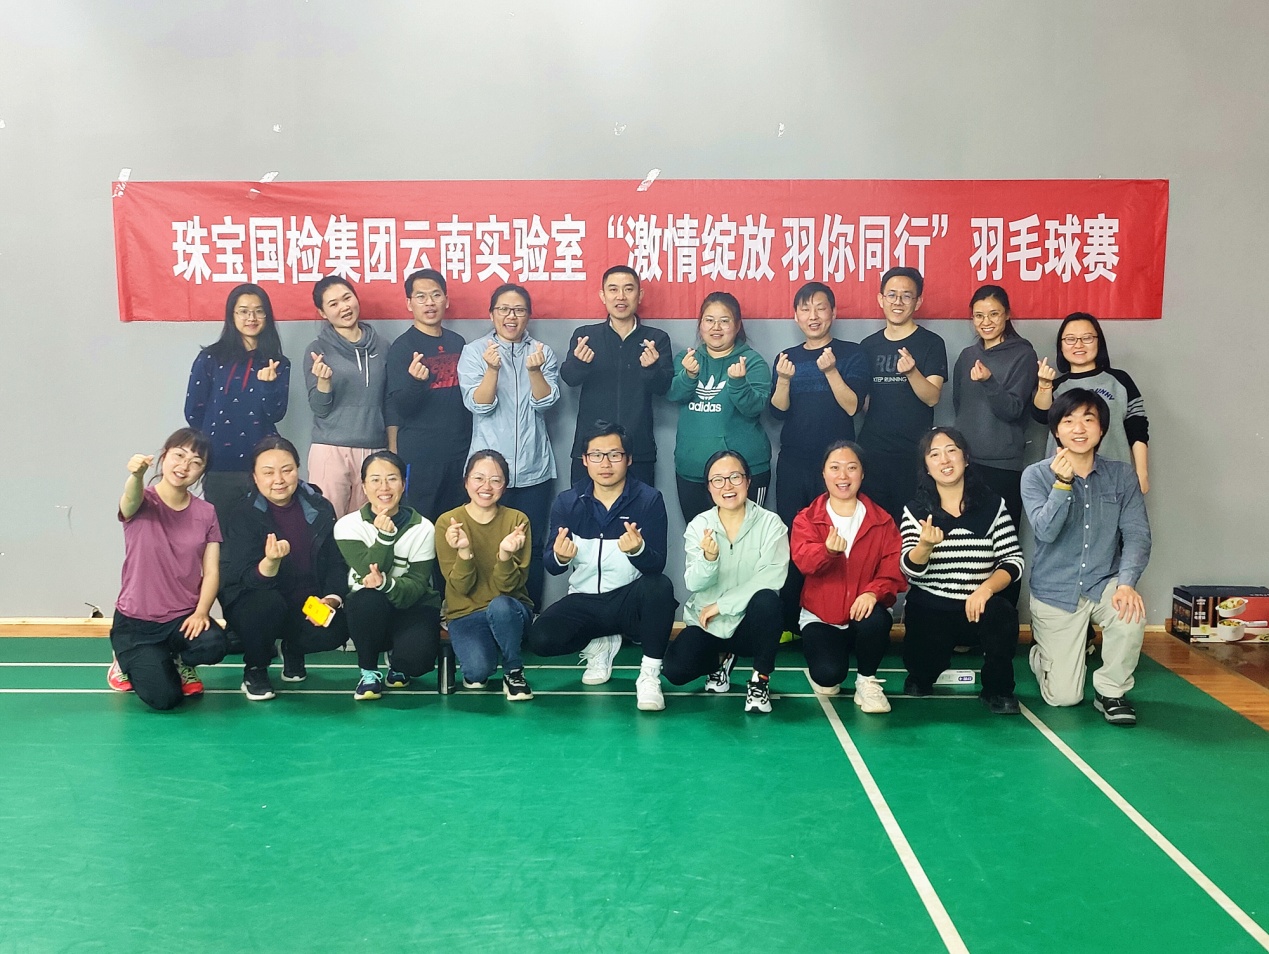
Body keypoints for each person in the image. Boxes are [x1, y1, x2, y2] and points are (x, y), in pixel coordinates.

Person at [1022, 389, 1151, 725]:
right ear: (1056, 430)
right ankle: (1042, 657)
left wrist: (1126, 584)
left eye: (1088, 419)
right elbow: (1045, 532)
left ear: (1102, 428)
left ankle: (1111, 691)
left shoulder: (1122, 475)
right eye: (1069, 421)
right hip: (1055, 589)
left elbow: (1137, 534)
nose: (1079, 428)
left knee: (1130, 612)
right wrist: (1062, 484)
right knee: (1064, 698)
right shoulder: (1035, 475)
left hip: (1103, 581)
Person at [526, 422, 676, 711]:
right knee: (541, 639)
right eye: (596, 455)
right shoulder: (568, 502)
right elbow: (552, 566)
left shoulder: (648, 499)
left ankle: (649, 676)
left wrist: (638, 551)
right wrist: (560, 557)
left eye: (614, 455)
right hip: (584, 601)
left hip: (626, 600)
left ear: (628, 459)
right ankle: (600, 643)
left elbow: (656, 564)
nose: (605, 464)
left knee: (660, 587)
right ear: (584, 460)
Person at [899, 428, 1025, 714]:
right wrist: (924, 546)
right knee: (921, 678)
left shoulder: (993, 505)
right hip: (931, 606)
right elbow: (909, 570)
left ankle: (997, 690)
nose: (944, 460)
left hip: (977, 604)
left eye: (951, 451)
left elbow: (1013, 560)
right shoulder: (915, 510)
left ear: (966, 458)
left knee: (1002, 612)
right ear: (926, 467)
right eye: (934, 454)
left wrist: (985, 589)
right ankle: (921, 673)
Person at [769, 280, 870, 633]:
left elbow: (853, 406)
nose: (813, 316)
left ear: (833, 312)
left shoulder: (852, 353)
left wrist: (830, 371)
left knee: (837, 537)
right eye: (805, 309)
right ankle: (789, 621)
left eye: (820, 307)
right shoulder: (787, 357)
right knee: (794, 539)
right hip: (794, 461)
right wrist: (783, 380)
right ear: (796, 316)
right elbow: (777, 412)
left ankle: (833, 616)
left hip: (837, 469)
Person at [219, 436, 351, 701]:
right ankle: (255, 669)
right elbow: (240, 579)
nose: (278, 479)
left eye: (287, 470)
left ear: (297, 470)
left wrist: (331, 599)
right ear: (255, 477)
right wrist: (269, 563)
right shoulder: (242, 513)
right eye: (268, 473)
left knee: (338, 628)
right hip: (259, 601)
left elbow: (336, 562)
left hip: (307, 603)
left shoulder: (320, 507)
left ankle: (293, 649)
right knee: (266, 605)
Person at [106, 428, 227, 710]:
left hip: (181, 618)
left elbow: (211, 571)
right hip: (136, 622)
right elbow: (130, 499)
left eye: (196, 462)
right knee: (165, 699)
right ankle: (123, 661)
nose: (185, 466)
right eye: (179, 455)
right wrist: (136, 476)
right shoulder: (143, 501)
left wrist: (201, 612)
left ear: (202, 471)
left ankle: (180, 659)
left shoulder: (206, 512)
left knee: (214, 644)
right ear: (164, 456)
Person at [457, 283, 560, 609]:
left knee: (531, 545)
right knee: (485, 545)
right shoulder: (474, 351)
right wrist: (492, 369)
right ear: (492, 314)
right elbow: (479, 405)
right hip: (488, 474)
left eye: (518, 310)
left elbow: (546, 403)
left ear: (528, 316)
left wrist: (534, 370)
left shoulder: (542, 351)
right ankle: (485, 613)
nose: (511, 316)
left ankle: (529, 614)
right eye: (503, 309)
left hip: (533, 469)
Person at [662, 451, 789, 713]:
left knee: (768, 601)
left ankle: (759, 680)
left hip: (748, 626)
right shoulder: (699, 525)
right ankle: (721, 661)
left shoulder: (771, 524)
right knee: (675, 670)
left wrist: (723, 605)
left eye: (735, 477)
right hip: (709, 624)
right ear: (709, 487)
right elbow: (693, 583)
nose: (727, 486)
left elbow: (772, 576)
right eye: (718, 480)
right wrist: (709, 559)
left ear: (748, 481)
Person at [791, 441, 905, 713]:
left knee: (877, 618)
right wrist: (827, 552)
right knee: (828, 676)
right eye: (835, 468)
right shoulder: (807, 518)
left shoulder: (882, 520)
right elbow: (804, 561)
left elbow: (893, 567)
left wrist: (873, 592)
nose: (843, 476)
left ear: (862, 474)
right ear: (823, 473)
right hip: (821, 615)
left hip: (862, 614)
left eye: (851, 468)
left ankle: (867, 681)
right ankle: (830, 663)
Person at [334, 451, 442, 700]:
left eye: (392, 479)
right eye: (375, 480)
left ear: (403, 484)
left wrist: (385, 583)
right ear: (364, 486)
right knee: (366, 598)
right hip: (370, 608)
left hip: (413, 606)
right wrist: (385, 538)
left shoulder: (424, 528)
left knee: (416, 662)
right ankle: (369, 672)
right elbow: (371, 570)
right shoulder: (347, 526)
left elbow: (417, 585)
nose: (384, 487)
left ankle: (399, 661)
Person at [434, 450, 534, 700]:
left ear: (505, 485)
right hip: (466, 612)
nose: (486, 487)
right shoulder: (448, 522)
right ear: (466, 481)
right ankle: (482, 654)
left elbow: (510, 588)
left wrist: (505, 554)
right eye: (478, 478)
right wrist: (464, 551)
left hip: (509, 608)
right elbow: (461, 587)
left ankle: (514, 671)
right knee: (477, 672)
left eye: (495, 480)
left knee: (500, 606)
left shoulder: (517, 520)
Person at [560, 265, 673, 486]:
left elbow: (664, 387)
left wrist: (651, 369)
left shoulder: (656, 339)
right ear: (603, 295)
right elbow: (569, 378)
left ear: (639, 295)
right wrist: (580, 364)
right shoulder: (586, 336)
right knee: (584, 507)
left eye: (628, 289)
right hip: (592, 449)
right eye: (613, 289)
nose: (621, 296)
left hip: (637, 449)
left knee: (639, 507)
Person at [184, 283, 290, 518]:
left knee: (266, 531)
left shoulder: (277, 363)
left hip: (264, 465)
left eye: (259, 311)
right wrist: (212, 444)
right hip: (219, 463)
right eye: (243, 311)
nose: (251, 318)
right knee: (222, 532)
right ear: (232, 316)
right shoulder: (210, 358)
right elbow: (193, 411)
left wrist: (268, 385)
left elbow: (277, 413)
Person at [667, 291, 772, 524]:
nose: (716, 327)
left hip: (743, 472)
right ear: (700, 324)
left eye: (724, 321)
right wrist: (689, 375)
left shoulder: (752, 361)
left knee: (747, 539)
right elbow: (673, 393)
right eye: (709, 320)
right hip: (693, 469)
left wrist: (738, 383)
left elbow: (755, 407)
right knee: (700, 540)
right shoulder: (687, 358)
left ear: (737, 325)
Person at [858, 267, 948, 523]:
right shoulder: (868, 346)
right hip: (873, 452)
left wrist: (911, 372)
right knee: (875, 528)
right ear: (881, 299)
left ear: (918, 302)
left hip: (914, 455)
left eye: (906, 296)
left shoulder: (931, 343)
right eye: (892, 295)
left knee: (912, 528)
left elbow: (932, 396)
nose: (898, 302)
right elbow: (864, 402)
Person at [386, 268, 472, 522]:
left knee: (454, 525)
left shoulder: (458, 342)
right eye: (421, 297)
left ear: (446, 300)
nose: (430, 302)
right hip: (421, 457)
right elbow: (400, 407)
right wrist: (415, 382)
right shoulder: (402, 348)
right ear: (409, 304)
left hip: (459, 452)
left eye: (435, 295)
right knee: (419, 525)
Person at [1031, 312, 1150, 494]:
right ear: (1061, 345)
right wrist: (1045, 386)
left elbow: (1138, 429)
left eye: (1087, 338)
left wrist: (1142, 473)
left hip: (1113, 477)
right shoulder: (1056, 386)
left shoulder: (1119, 381)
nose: (1078, 345)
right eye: (1070, 339)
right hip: (1064, 478)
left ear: (1098, 342)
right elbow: (1041, 416)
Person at [951, 285, 1039, 530]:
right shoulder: (967, 356)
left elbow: (1013, 410)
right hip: (965, 463)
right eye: (979, 316)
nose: (986, 322)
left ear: (1007, 314)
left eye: (994, 314)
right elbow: (959, 404)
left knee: (1002, 541)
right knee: (965, 539)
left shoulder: (1023, 354)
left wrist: (989, 381)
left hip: (1003, 466)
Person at [304, 276, 388, 519]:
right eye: (333, 304)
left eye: (347, 298)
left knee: (369, 526)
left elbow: (389, 402)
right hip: (331, 448)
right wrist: (324, 382)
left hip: (374, 448)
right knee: (328, 523)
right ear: (323, 313)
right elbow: (319, 409)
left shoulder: (383, 347)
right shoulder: (317, 350)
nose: (344, 307)